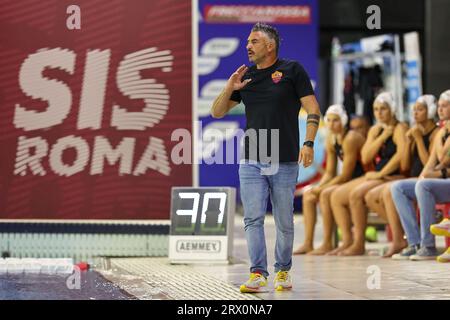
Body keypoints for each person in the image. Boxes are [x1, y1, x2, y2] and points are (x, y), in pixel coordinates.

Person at [210, 23, 321, 292]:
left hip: (283, 159)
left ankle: (283, 271)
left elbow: (312, 108)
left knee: (283, 219)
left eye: (254, 41)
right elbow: (217, 112)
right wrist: (229, 87)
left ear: (269, 46)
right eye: (248, 41)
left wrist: (308, 142)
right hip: (251, 158)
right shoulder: (245, 77)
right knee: (252, 218)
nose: (248, 46)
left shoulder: (292, 70)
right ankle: (258, 273)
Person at [329, 92, 407, 256]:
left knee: (357, 195)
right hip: (378, 175)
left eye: (383, 109)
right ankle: (351, 242)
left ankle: (362, 242)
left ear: (392, 109)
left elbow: (401, 157)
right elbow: (366, 156)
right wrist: (382, 136)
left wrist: (381, 174)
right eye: (376, 109)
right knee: (336, 196)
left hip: (393, 175)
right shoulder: (375, 130)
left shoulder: (400, 128)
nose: (379, 113)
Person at [365, 95, 439, 257]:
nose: (415, 114)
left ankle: (409, 239)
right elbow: (405, 164)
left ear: (431, 111)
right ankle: (411, 239)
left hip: (427, 180)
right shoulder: (413, 131)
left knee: (390, 190)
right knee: (384, 192)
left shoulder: (435, 134)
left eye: (420, 110)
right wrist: (408, 143)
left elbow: (429, 163)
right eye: (414, 110)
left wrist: (418, 140)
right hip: (414, 179)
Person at [293, 104, 366, 255]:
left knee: (326, 193)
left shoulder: (350, 138)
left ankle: (331, 242)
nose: (332, 124)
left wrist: (323, 188)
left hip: (359, 178)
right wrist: (320, 185)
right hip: (345, 182)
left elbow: (346, 175)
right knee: (309, 195)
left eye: (336, 120)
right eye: (330, 121)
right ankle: (308, 243)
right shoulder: (332, 138)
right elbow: (330, 172)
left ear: (344, 121)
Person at [391, 89, 450, 260]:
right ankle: (414, 242)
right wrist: (423, 177)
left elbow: (441, 166)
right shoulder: (442, 132)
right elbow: (431, 164)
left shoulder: (439, 133)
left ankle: (428, 245)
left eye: (445, 106)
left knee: (424, 185)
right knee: (399, 187)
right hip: (442, 180)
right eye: (439, 106)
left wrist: (437, 173)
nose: (440, 110)